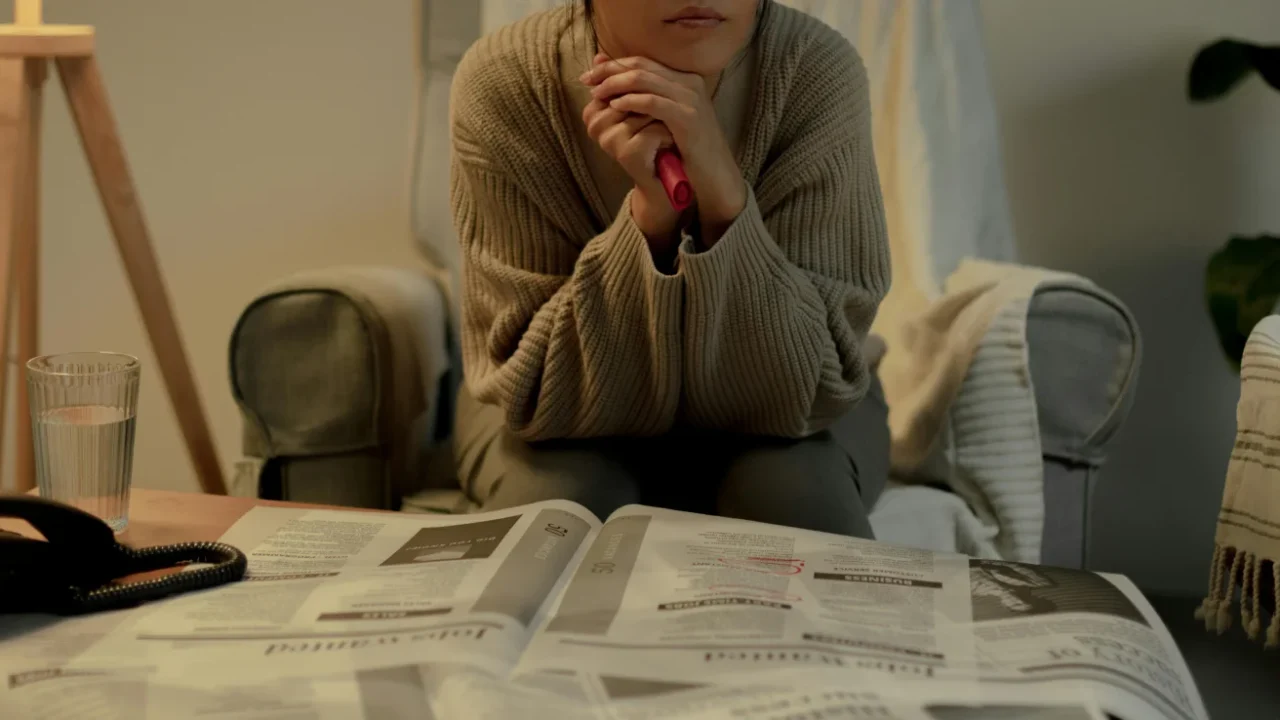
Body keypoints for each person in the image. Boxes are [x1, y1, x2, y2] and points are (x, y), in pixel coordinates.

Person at [448, 0, 891, 537]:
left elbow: (809, 386)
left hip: (796, 415)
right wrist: (650, 218)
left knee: (792, 497)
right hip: (555, 420)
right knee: (563, 513)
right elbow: (536, 393)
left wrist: (724, 197)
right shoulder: (507, 80)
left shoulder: (814, 69)